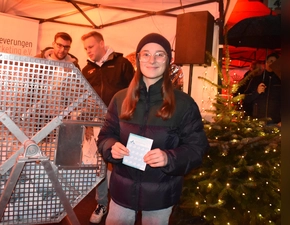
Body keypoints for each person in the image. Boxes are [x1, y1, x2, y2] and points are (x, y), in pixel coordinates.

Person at [96, 33, 209, 225]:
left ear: (169, 60)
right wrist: (111, 147)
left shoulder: (184, 104)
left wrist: (169, 157)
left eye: (159, 54)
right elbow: (106, 135)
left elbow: (197, 148)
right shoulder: (120, 98)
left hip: (160, 194)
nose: (152, 60)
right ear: (138, 58)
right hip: (121, 190)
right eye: (146, 54)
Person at [80, 31, 135, 223]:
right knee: (100, 166)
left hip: (121, 123)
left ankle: (125, 204)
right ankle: (102, 203)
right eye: (85, 48)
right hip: (96, 125)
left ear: (102, 43)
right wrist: (87, 123)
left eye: (91, 46)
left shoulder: (122, 64)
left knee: (124, 162)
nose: (88, 51)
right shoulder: (87, 70)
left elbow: (135, 93)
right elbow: (83, 98)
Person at [243, 53, 281, 126]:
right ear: (265, 63)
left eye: (274, 62)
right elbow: (246, 98)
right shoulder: (256, 79)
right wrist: (256, 92)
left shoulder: (280, 80)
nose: (271, 63)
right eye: (269, 61)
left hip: (276, 122)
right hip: (258, 121)